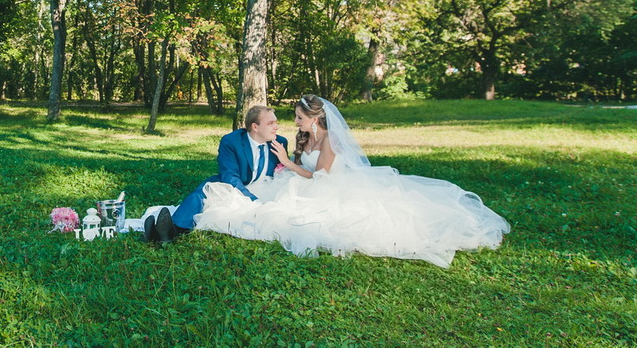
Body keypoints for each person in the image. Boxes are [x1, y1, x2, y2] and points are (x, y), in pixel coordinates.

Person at [192, 95, 511, 267]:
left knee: (324, 221)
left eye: (299, 118)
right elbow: (298, 167)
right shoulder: (302, 138)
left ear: (315, 118)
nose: (295, 122)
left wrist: (288, 163)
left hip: (330, 188)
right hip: (306, 183)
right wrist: (285, 167)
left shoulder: (330, 140)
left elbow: (320, 176)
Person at [144, 105, 289, 243]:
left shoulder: (280, 142)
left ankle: (166, 233)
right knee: (202, 192)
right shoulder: (232, 141)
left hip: (265, 188)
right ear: (255, 127)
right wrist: (251, 198)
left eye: (276, 122)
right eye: (270, 123)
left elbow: (282, 172)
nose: (276, 127)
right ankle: (170, 229)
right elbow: (230, 176)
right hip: (235, 185)